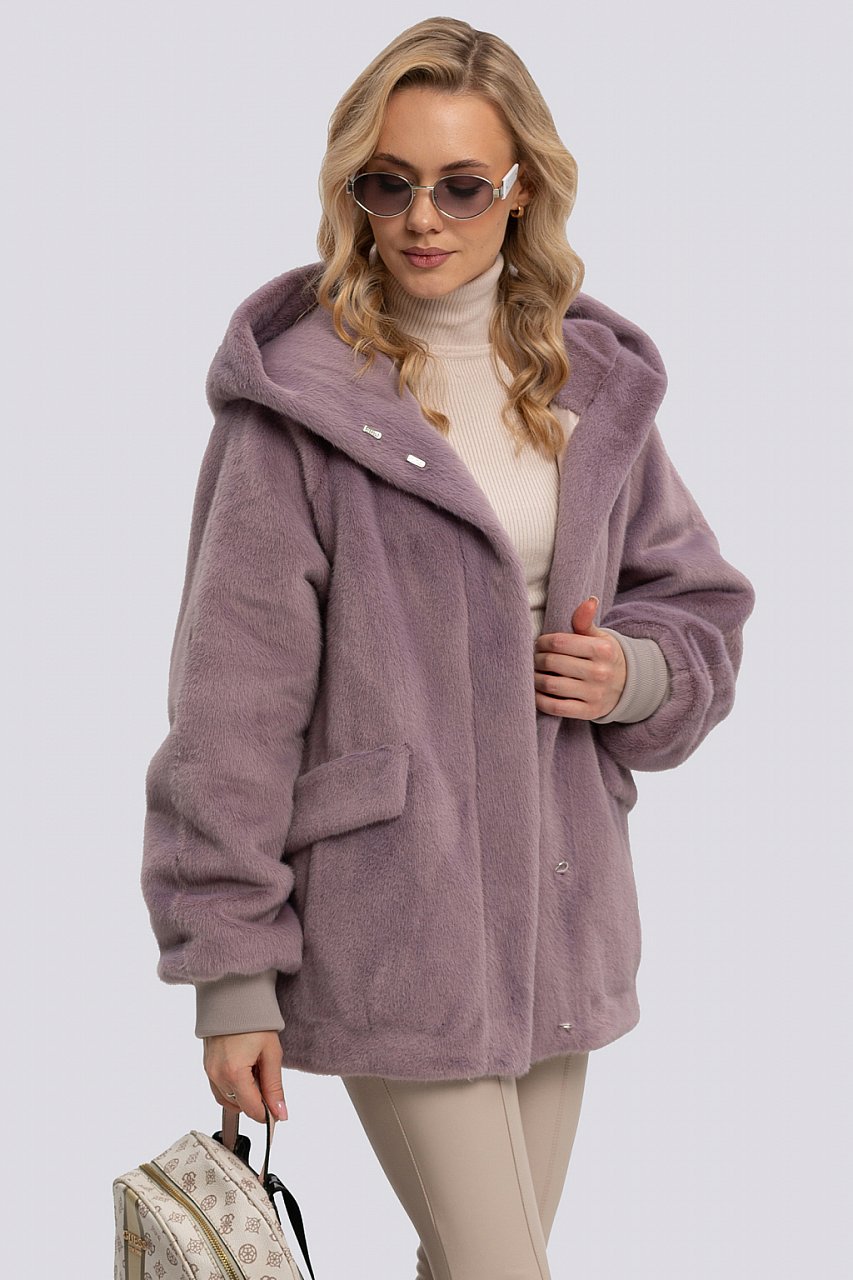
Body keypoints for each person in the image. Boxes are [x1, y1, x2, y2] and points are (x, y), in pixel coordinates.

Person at [140, 16, 755, 1279]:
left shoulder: (589, 384)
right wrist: (230, 973)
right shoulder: (300, 406)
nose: (422, 218)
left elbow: (695, 600)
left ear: (520, 189)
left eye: (461, 185)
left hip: (561, 908)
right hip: (395, 915)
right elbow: (229, 709)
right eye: (389, 183)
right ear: (353, 192)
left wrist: (632, 671)